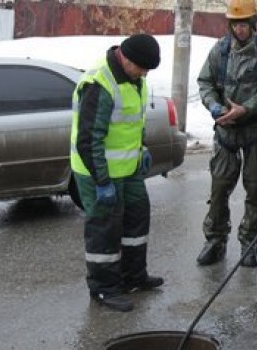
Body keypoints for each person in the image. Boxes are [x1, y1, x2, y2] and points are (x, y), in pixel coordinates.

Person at [70, 34, 164, 312]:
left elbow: (134, 122)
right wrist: (102, 182)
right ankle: (104, 289)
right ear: (126, 58)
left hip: (129, 168)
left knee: (137, 217)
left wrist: (142, 148)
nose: (145, 74)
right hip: (98, 173)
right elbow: (88, 140)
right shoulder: (99, 84)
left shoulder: (136, 80)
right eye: (142, 68)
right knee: (105, 229)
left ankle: (133, 277)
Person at [196, 0, 257, 268]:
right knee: (220, 187)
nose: (240, 29)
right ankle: (215, 239)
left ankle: (249, 243)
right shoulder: (220, 50)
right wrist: (214, 107)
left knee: (255, 189)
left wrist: (245, 109)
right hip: (226, 131)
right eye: (235, 24)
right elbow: (205, 83)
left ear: (253, 23)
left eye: (244, 23)